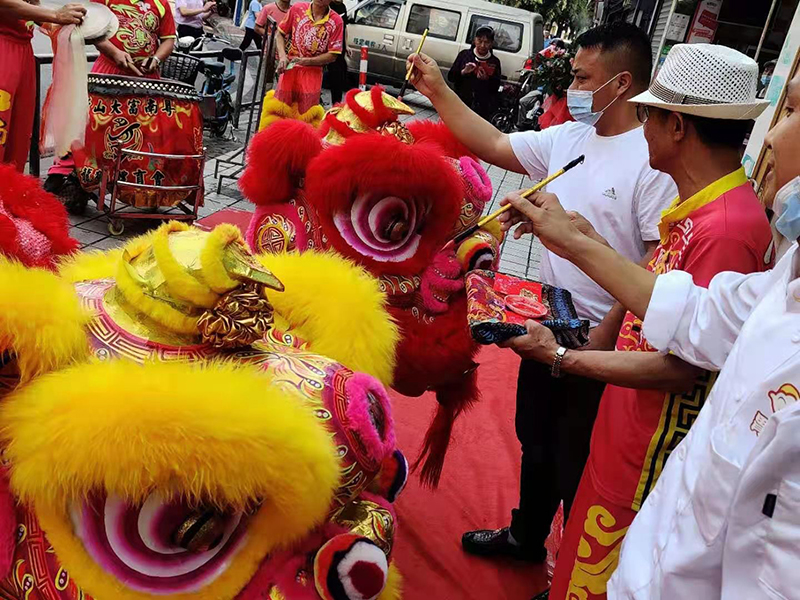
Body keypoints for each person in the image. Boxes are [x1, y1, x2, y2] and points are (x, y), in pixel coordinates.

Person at [499, 66, 800, 599]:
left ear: (677, 125)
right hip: (624, 436)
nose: (772, 137)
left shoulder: (727, 228)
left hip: (644, 460)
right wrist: (578, 238)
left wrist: (561, 358)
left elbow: (683, 359)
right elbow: (675, 307)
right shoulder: (702, 210)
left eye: (647, 115)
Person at [407, 21, 677, 563]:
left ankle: (575, 567)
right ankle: (527, 536)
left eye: (582, 77)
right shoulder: (569, 138)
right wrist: (437, 88)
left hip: (601, 335)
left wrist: (604, 333)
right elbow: (494, 141)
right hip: (544, 316)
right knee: (534, 434)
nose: (572, 87)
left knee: (577, 455)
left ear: (621, 83)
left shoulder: (649, 161)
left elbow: (656, 261)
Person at [44, 0, 177, 206]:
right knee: (90, 129)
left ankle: (130, 187)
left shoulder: (161, 4)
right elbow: (91, 29)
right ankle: (68, 178)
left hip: (145, 79)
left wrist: (156, 59)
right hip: (108, 73)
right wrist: (114, 53)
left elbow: (168, 39)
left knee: (137, 135)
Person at [0, 0, 86, 171]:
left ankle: (9, 194)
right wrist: (55, 15)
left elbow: (32, 7)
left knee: (19, 137)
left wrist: (62, 24)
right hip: (3, 45)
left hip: (24, 51)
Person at [274, 0, 343, 115]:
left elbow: (333, 55)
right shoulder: (297, 9)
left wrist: (307, 61)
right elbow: (279, 34)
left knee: (305, 116)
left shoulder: (336, 21)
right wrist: (282, 56)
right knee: (280, 111)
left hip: (313, 75)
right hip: (290, 71)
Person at [448, 25, 501, 120]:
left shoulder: (494, 61)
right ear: (474, 40)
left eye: (487, 42)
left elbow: (495, 88)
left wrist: (486, 79)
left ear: (491, 44)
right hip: (460, 102)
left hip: (481, 108)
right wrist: (463, 72)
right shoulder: (464, 55)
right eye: (480, 41)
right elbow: (451, 77)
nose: (482, 45)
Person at [326, 0, 348, 105]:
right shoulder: (327, 5)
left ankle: (336, 105)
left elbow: (345, 27)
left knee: (338, 77)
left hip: (339, 49)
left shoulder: (343, 7)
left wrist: (347, 46)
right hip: (326, 49)